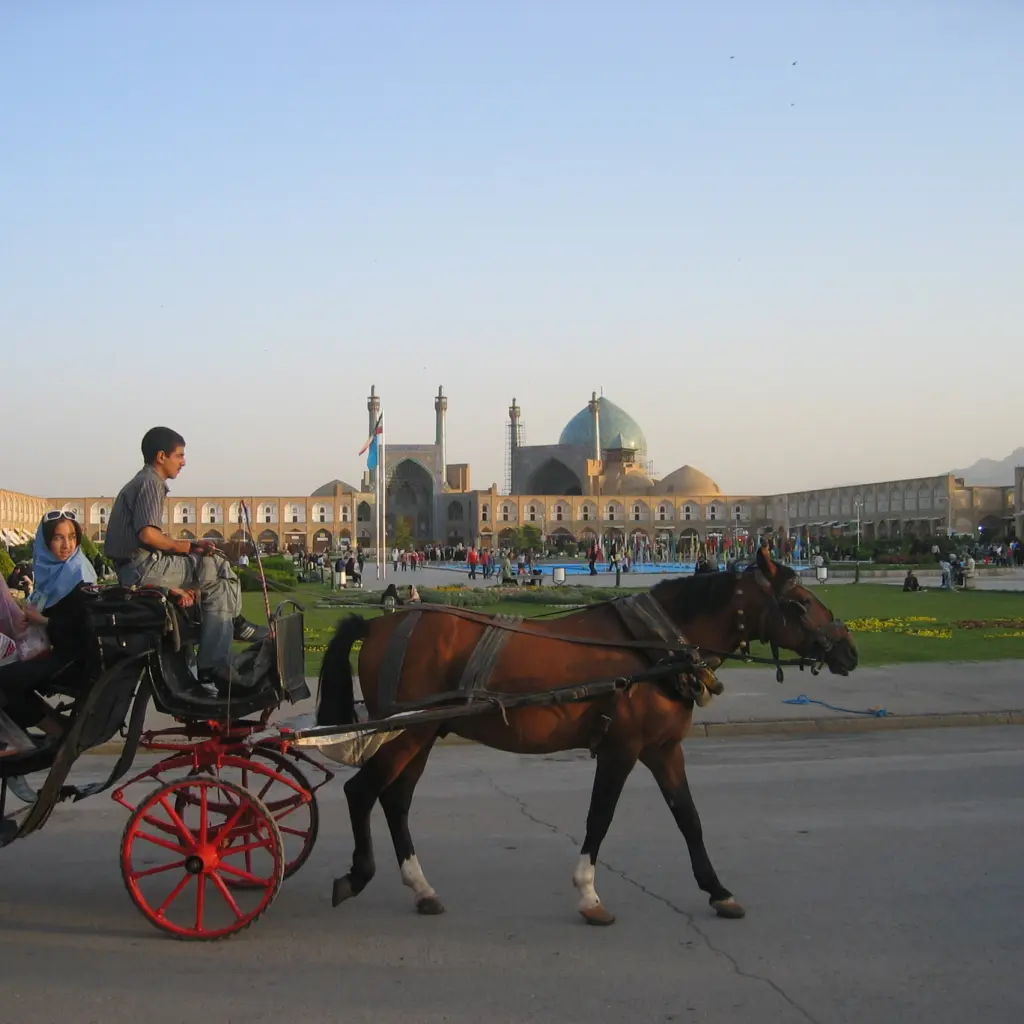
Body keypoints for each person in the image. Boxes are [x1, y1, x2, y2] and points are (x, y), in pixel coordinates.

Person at [103, 427, 267, 693]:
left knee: (219, 566)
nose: (183, 461)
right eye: (179, 455)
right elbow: (147, 534)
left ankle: (232, 624)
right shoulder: (150, 483)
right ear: (161, 456)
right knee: (218, 569)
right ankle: (218, 656)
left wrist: (191, 547)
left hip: (137, 566)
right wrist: (186, 546)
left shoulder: (143, 482)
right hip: (142, 569)